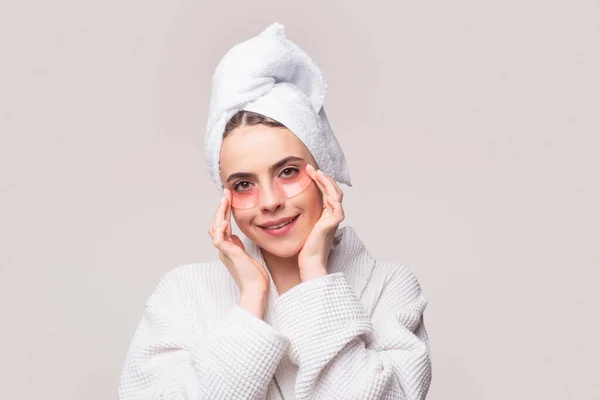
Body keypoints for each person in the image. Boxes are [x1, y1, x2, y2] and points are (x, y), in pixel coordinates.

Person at [118, 23, 432, 400]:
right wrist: (251, 298)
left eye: (287, 172)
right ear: (225, 198)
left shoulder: (390, 288)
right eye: (243, 184)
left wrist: (316, 278)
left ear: (323, 173)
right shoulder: (183, 295)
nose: (269, 202)